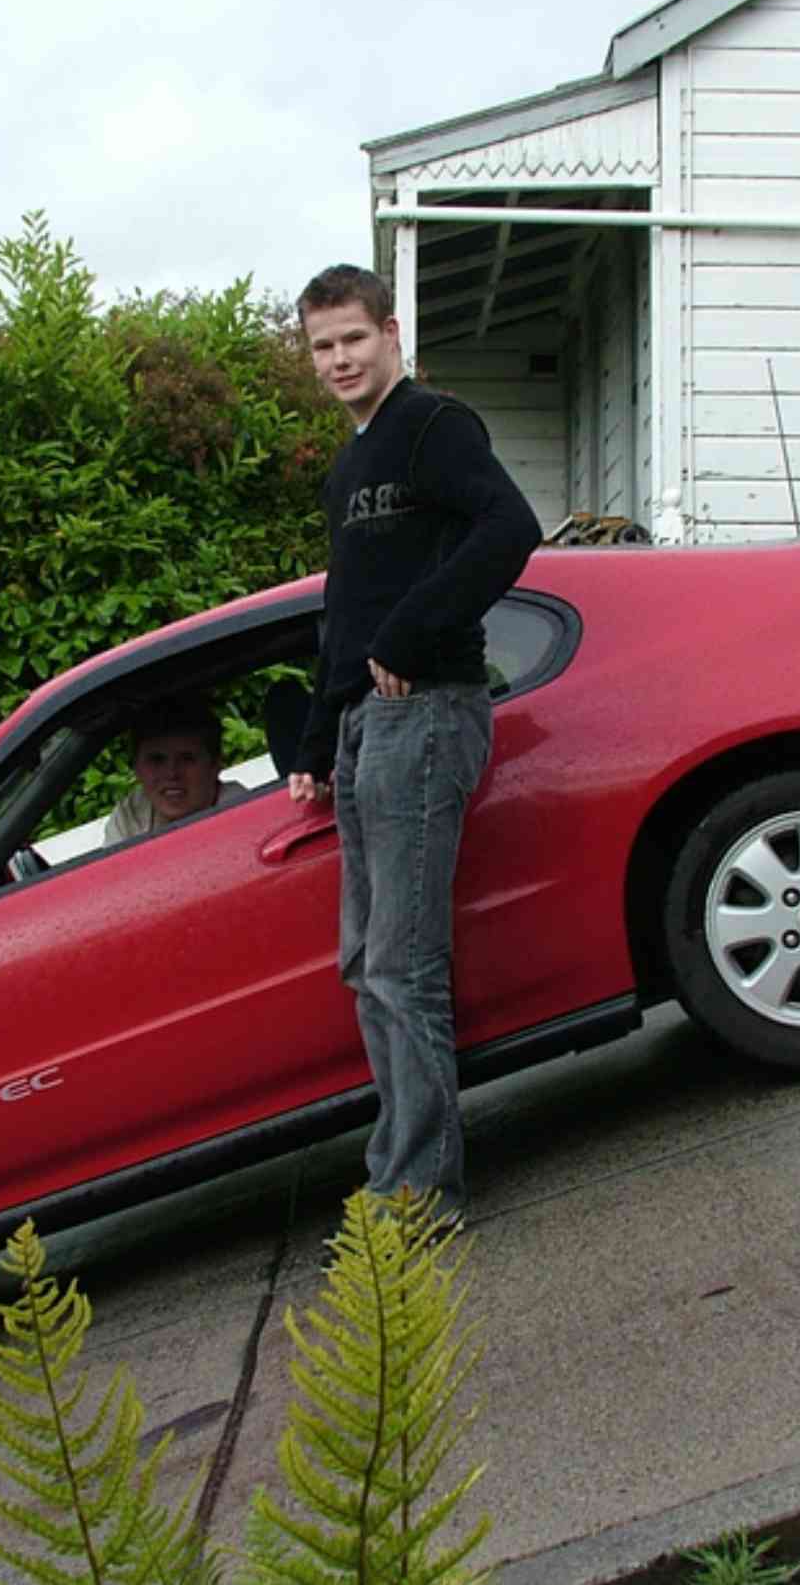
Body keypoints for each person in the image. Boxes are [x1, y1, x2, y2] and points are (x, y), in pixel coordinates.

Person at [288, 262, 540, 1216]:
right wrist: (315, 746)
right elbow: (344, 614)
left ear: (391, 333)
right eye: (323, 346)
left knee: (402, 962)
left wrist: (414, 633)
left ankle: (419, 1194)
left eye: (354, 337)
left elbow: (509, 527)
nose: (341, 358)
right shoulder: (351, 465)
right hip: (365, 728)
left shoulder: (435, 425)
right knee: (367, 962)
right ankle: (396, 1173)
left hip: (428, 710)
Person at [101, 702, 251, 844]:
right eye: (157, 760)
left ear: (215, 765)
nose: (171, 773)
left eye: (187, 759)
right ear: (137, 768)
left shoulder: (241, 811)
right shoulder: (130, 815)